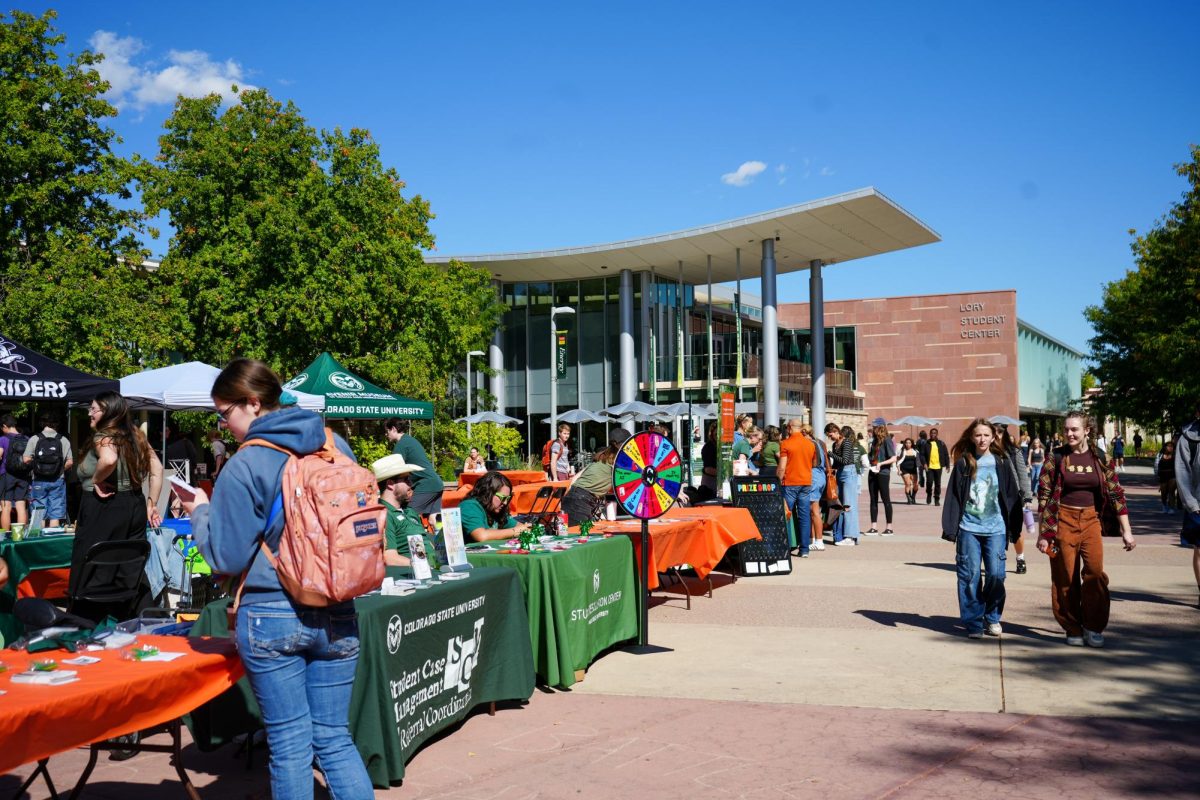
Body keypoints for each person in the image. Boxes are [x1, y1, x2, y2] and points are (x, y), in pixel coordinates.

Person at [187, 358, 375, 798]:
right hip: (338, 604)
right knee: (333, 739)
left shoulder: (245, 464)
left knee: (290, 746)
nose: (223, 424)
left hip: (271, 611)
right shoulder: (335, 445)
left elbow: (226, 557)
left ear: (252, 404)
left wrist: (199, 511)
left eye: (224, 413)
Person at [1036, 411, 1135, 648]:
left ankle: (1093, 626)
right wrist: (1043, 534)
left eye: (1074, 429)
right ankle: (1072, 627)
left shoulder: (1100, 457)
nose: (1069, 434)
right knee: (1065, 576)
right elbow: (1044, 496)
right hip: (1063, 521)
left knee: (1094, 573)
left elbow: (1116, 493)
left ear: (1086, 431)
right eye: (1067, 429)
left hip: (1091, 520)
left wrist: (1126, 530)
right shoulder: (1056, 458)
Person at [72, 393, 163, 622]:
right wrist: (151, 503)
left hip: (105, 505)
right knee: (129, 565)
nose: (89, 413)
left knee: (94, 565)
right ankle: (141, 622)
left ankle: (80, 625)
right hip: (135, 504)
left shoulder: (104, 436)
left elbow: (109, 459)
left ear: (109, 411)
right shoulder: (136, 436)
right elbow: (157, 469)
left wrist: (96, 479)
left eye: (94, 409)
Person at [942, 418, 1022, 639]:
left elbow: (1011, 494)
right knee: (970, 576)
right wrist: (951, 527)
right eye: (978, 435)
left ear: (993, 437)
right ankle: (974, 622)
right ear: (971, 437)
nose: (982, 439)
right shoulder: (964, 463)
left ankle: (992, 616)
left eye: (986, 435)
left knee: (997, 575)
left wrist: (1014, 528)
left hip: (996, 527)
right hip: (969, 528)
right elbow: (954, 497)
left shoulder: (1002, 462)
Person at [372, 454, 436, 568]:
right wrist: (423, 566)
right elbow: (389, 557)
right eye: (406, 480)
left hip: (436, 567)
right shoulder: (383, 514)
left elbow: (427, 543)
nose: (411, 484)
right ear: (390, 484)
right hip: (416, 574)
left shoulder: (409, 511)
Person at [993, 424, 1033, 575]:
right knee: (997, 528)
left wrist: (1027, 496)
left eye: (1000, 432)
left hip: (1014, 496)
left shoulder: (1014, 451)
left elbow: (1022, 474)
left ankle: (1020, 557)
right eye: (994, 432)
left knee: (1016, 529)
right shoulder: (987, 453)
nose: (997, 436)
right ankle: (998, 559)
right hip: (995, 497)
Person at [385, 418, 444, 516]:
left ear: (394, 429)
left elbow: (393, 470)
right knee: (434, 519)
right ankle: (438, 531)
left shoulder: (401, 444)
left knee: (408, 515)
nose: (386, 434)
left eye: (387, 431)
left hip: (426, 485)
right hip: (436, 483)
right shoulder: (410, 440)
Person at [24, 412, 73, 527]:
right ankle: (52, 539)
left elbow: (26, 459)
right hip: (57, 480)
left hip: (38, 479)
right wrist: (59, 470)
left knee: (39, 509)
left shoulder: (34, 439)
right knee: (55, 511)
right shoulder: (63, 440)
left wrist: (37, 466)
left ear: (42, 423)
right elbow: (70, 462)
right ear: (57, 424)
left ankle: (39, 539)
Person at [777, 418, 816, 558]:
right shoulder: (810, 444)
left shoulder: (786, 443)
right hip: (806, 482)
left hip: (790, 483)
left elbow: (782, 467)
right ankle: (804, 549)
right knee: (804, 516)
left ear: (789, 427)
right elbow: (814, 462)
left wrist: (777, 480)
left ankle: (784, 547)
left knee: (785, 514)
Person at [459, 471, 532, 541]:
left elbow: (519, 526)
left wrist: (525, 528)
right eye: (502, 498)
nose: (505, 502)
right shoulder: (469, 506)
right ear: (487, 493)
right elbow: (481, 536)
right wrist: (515, 531)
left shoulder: (496, 510)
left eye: (507, 498)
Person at [1176, 402, 1200, 606]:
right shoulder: (1188, 439)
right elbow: (1182, 473)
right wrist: (1192, 504)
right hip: (1198, 503)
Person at [562, 446, 616, 525]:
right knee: (579, 533)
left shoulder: (595, 464)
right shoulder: (613, 470)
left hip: (574, 496)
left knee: (579, 532)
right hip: (581, 501)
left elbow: (574, 480)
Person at [826, 424, 859, 546]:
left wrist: (830, 454)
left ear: (835, 431)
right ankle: (845, 535)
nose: (830, 438)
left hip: (849, 472)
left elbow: (845, 460)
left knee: (849, 505)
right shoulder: (835, 444)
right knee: (841, 505)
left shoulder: (847, 442)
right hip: (840, 473)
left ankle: (851, 536)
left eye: (830, 435)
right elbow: (837, 463)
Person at [865, 425, 897, 535]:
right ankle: (873, 527)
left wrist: (881, 463)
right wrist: (868, 460)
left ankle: (889, 527)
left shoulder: (887, 440)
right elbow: (871, 456)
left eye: (874, 429)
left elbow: (893, 458)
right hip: (872, 472)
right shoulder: (874, 442)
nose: (872, 431)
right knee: (873, 499)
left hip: (883, 473)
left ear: (879, 430)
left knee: (885, 499)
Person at [801, 424, 828, 550]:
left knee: (814, 511)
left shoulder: (809, 444)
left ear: (805, 432)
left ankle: (819, 541)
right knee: (812, 510)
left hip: (814, 476)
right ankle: (813, 539)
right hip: (821, 475)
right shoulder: (819, 442)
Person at [0, 415, 29, 532]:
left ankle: (6, 536)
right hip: (23, 476)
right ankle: (19, 536)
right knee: (21, 506)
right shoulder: (27, 439)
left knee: (6, 506)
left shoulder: (3, 439)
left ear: (5, 426)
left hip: (6, 475)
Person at [922, 427, 950, 506]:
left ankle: (937, 498)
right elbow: (922, 455)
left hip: (938, 466)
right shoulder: (926, 443)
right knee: (929, 482)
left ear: (937, 434)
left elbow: (946, 454)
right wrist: (924, 464)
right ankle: (929, 494)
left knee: (938, 483)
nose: (933, 434)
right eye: (931, 433)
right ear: (929, 434)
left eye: (934, 433)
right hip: (929, 467)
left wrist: (947, 465)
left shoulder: (941, 443)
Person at [697, 422, 718, 501]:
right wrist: (724, 473)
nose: (719, 436)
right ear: (712, 435)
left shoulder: (724, 446)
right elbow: (708, 469)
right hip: (710, 485)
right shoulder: (708, 447)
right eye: (716, 434)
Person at [1156, 440, 1178, 513]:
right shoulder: (1160, 455)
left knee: (1171, 491)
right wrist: (1156, 475)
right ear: (1165, 447)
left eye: (1172, 446)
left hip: (1172, 476)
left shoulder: (1176, 455)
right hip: (1163, 476)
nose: (1170, 448)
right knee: (1164, 492)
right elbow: (1156, 465)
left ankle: (1171, 508)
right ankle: (1164, 506)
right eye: (1168, 446)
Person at [898, 438, 920, 504]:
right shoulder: (902, 451)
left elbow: (918, 461)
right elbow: (898, 461)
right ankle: (909, 499)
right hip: (904, 469)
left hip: (913, 469)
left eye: (909, 443)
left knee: (915, 484)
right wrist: (899, 470)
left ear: (912, 444)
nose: (908, 444)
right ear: (905, 444)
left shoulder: (915, 451)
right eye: (906, 443)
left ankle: (913, 497)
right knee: (908, 484)